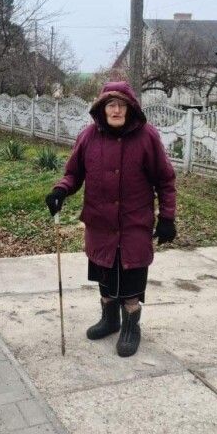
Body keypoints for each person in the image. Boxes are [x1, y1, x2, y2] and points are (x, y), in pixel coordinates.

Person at [45, 81, 176, 357]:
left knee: (131, 284)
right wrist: (60, 189)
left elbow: (165, 180)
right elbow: (73, 174)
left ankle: (131, 328)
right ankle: (109, 319)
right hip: (100, 225)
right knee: (104, 277)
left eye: (121, 105)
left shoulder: (147, 137)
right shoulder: (88, 136)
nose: (116, 110)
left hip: (134, 225)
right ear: (102, 108)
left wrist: (167, 217)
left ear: (130, 108)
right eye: (110, 104)